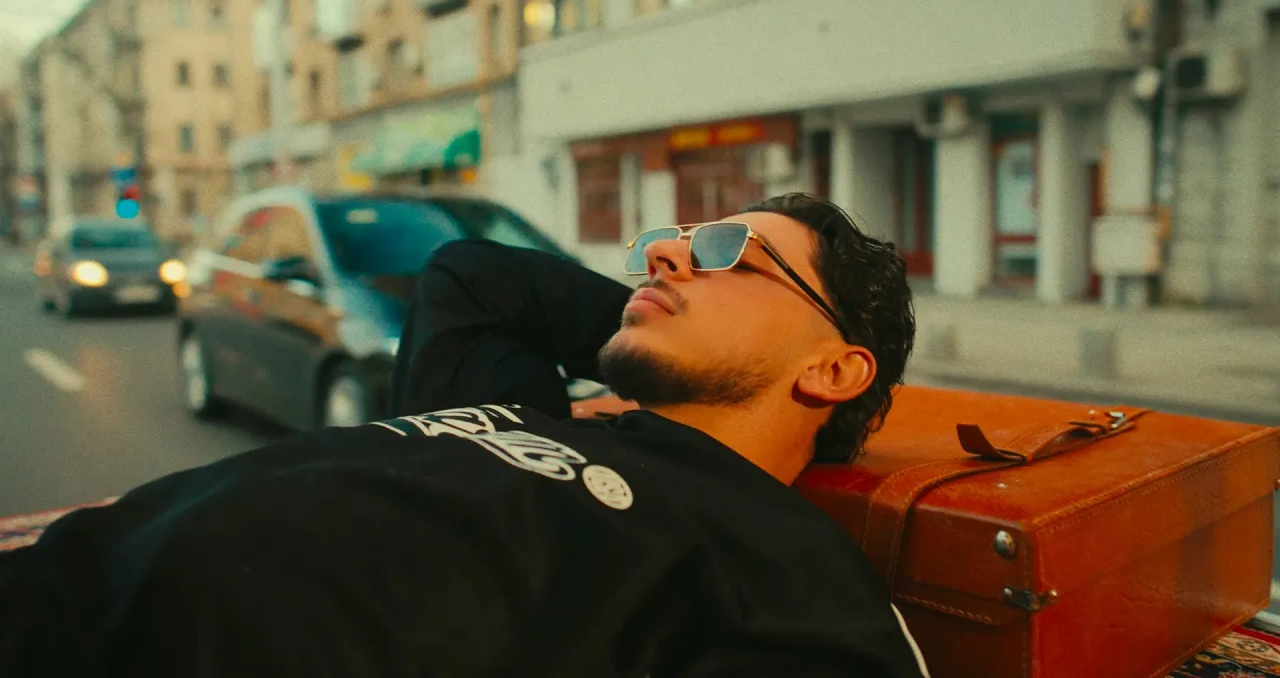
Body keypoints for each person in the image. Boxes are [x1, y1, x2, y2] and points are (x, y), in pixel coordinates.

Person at [0, 192, 927, 677]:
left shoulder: (779, 561)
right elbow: (474, 276)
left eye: (730, 251)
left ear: (834, 370)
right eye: (675, 239)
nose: (663, 251)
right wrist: (659, 332)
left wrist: (685, 337)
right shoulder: (524, 411)